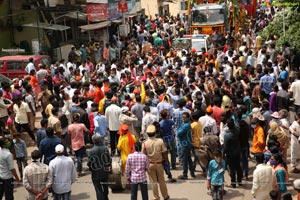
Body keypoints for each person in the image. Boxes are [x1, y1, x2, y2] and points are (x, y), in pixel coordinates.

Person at [142, 125, 170, 200]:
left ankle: (156, 197)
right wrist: (167, 162)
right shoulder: (160, 141)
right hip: (159, 164)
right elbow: (164, 153)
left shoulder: (145, 143)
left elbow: (143, 156)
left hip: (150, 164)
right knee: (162, 181)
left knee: (153, 182)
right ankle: (165, 196)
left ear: (147, 134)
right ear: (155, 133)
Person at [87, 134, 111, 200]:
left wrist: (90, 169)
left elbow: (89, 163)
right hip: (105, 172)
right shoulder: (105, 148)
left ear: (93, 141)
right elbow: (109, 160)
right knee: (105, 188)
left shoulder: (91, 151)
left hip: (96, 174)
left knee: (98, 190)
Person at [68, 113, 89, 177]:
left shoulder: (70, 126)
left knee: (77, 157)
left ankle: (76, 170)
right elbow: (87, 131)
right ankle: (79, 172)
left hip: (73, 144)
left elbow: (69, 135)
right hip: (81, 143)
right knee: (79, 158)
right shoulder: (81, 125)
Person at [223, 118, 242, 188]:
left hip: (230, 154)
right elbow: (237, 125)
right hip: (237, 151)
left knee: (232, 169)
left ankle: (233, 183)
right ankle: (239, 181)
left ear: (227, 126)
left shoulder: (227, 135)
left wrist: (222, 154)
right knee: (238, 167)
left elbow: (225, 147)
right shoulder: (237, 130)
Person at [177, 112, 195, 180]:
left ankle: (185, 174)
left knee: (185, 160)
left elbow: (179, 133)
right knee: (189, 159)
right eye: (183, 117)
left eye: (184, 117)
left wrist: (178, 131)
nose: (183, 119)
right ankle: (192, 172)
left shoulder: (186, 125)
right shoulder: (185, 124)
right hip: (186, 143)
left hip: (185, 144)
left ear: (188, 117)